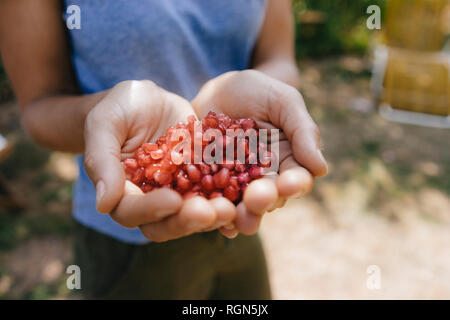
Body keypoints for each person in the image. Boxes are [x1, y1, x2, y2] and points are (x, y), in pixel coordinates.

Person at [0, 0, 327, 299]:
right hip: (124, 246)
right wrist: (110, 118)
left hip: (240, 219)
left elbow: (279, 58)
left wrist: (267, 90)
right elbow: (39, 106)